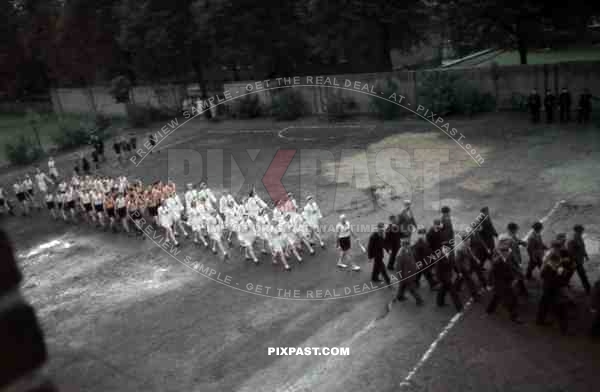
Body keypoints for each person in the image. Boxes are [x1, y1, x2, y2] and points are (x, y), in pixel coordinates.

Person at [486, 234, 523, 323]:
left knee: (497, 296)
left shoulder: (508, 254)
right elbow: (491, 272)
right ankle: (514, 316)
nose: (508, 253)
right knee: (510, 299)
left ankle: (489, 309)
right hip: (500, 282)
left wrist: (518, 274)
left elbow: (512, 265)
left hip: (507, 280)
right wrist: (489, 284)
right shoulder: (497, 261)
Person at [536, 240, 570, 334]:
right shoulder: (552, 264)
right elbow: (558, 276)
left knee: (544, 304)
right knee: (560, 309)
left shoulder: (549, 257)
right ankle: (564, 329)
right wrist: (561, 275)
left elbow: (543, 273)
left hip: (547, 287)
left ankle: (540, 320)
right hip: (553, 289)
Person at [396, 238, 424, 305]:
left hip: (410, 273)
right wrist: (401, 277)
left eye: (408, 244)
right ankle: (419, 300)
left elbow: (412, 260)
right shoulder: (400, 255)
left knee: (402, 286)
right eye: (407, 245)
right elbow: (398, 267)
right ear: (404, 245)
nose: (409, 246)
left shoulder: (408, 250)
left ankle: (399, 296)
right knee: (412, 288)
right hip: (406, 275)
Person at [436, 245, 463, 312]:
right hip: (443, 277)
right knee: (453, 292)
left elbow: (453, 264)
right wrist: (439, 279)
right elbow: (437, 270)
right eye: (443, 248)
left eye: (446, 248)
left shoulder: (451, 254)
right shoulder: (439, 257)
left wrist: (458, 272)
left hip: (448, 276)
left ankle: (439, 302)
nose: (445, 249)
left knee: (442, 290)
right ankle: (459, 307)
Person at [566, 224, 591, 295]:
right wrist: (573, 259)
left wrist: (586, 255)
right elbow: (570, 250)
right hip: (575, 260)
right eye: (581, 230)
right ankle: (588, 289)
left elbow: (582, 248)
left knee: (570, 273)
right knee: (582, 275)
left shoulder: (579, 237)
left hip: (578, 259)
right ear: (578, 230)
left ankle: (564, 283)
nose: (582, 231)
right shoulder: (573, 239)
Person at [506, 222, 528, 296]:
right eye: (516, 230)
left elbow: (518, 240)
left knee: (518, 276)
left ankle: (522, 290)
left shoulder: (513, 236)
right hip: (512, 261)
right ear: (512, 230)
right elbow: (512, 254)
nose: (516, 231)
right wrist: (518, 263)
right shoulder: (509, 240)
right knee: (518, 275)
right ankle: (519, 291)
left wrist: (523, 243)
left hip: (515, 260)